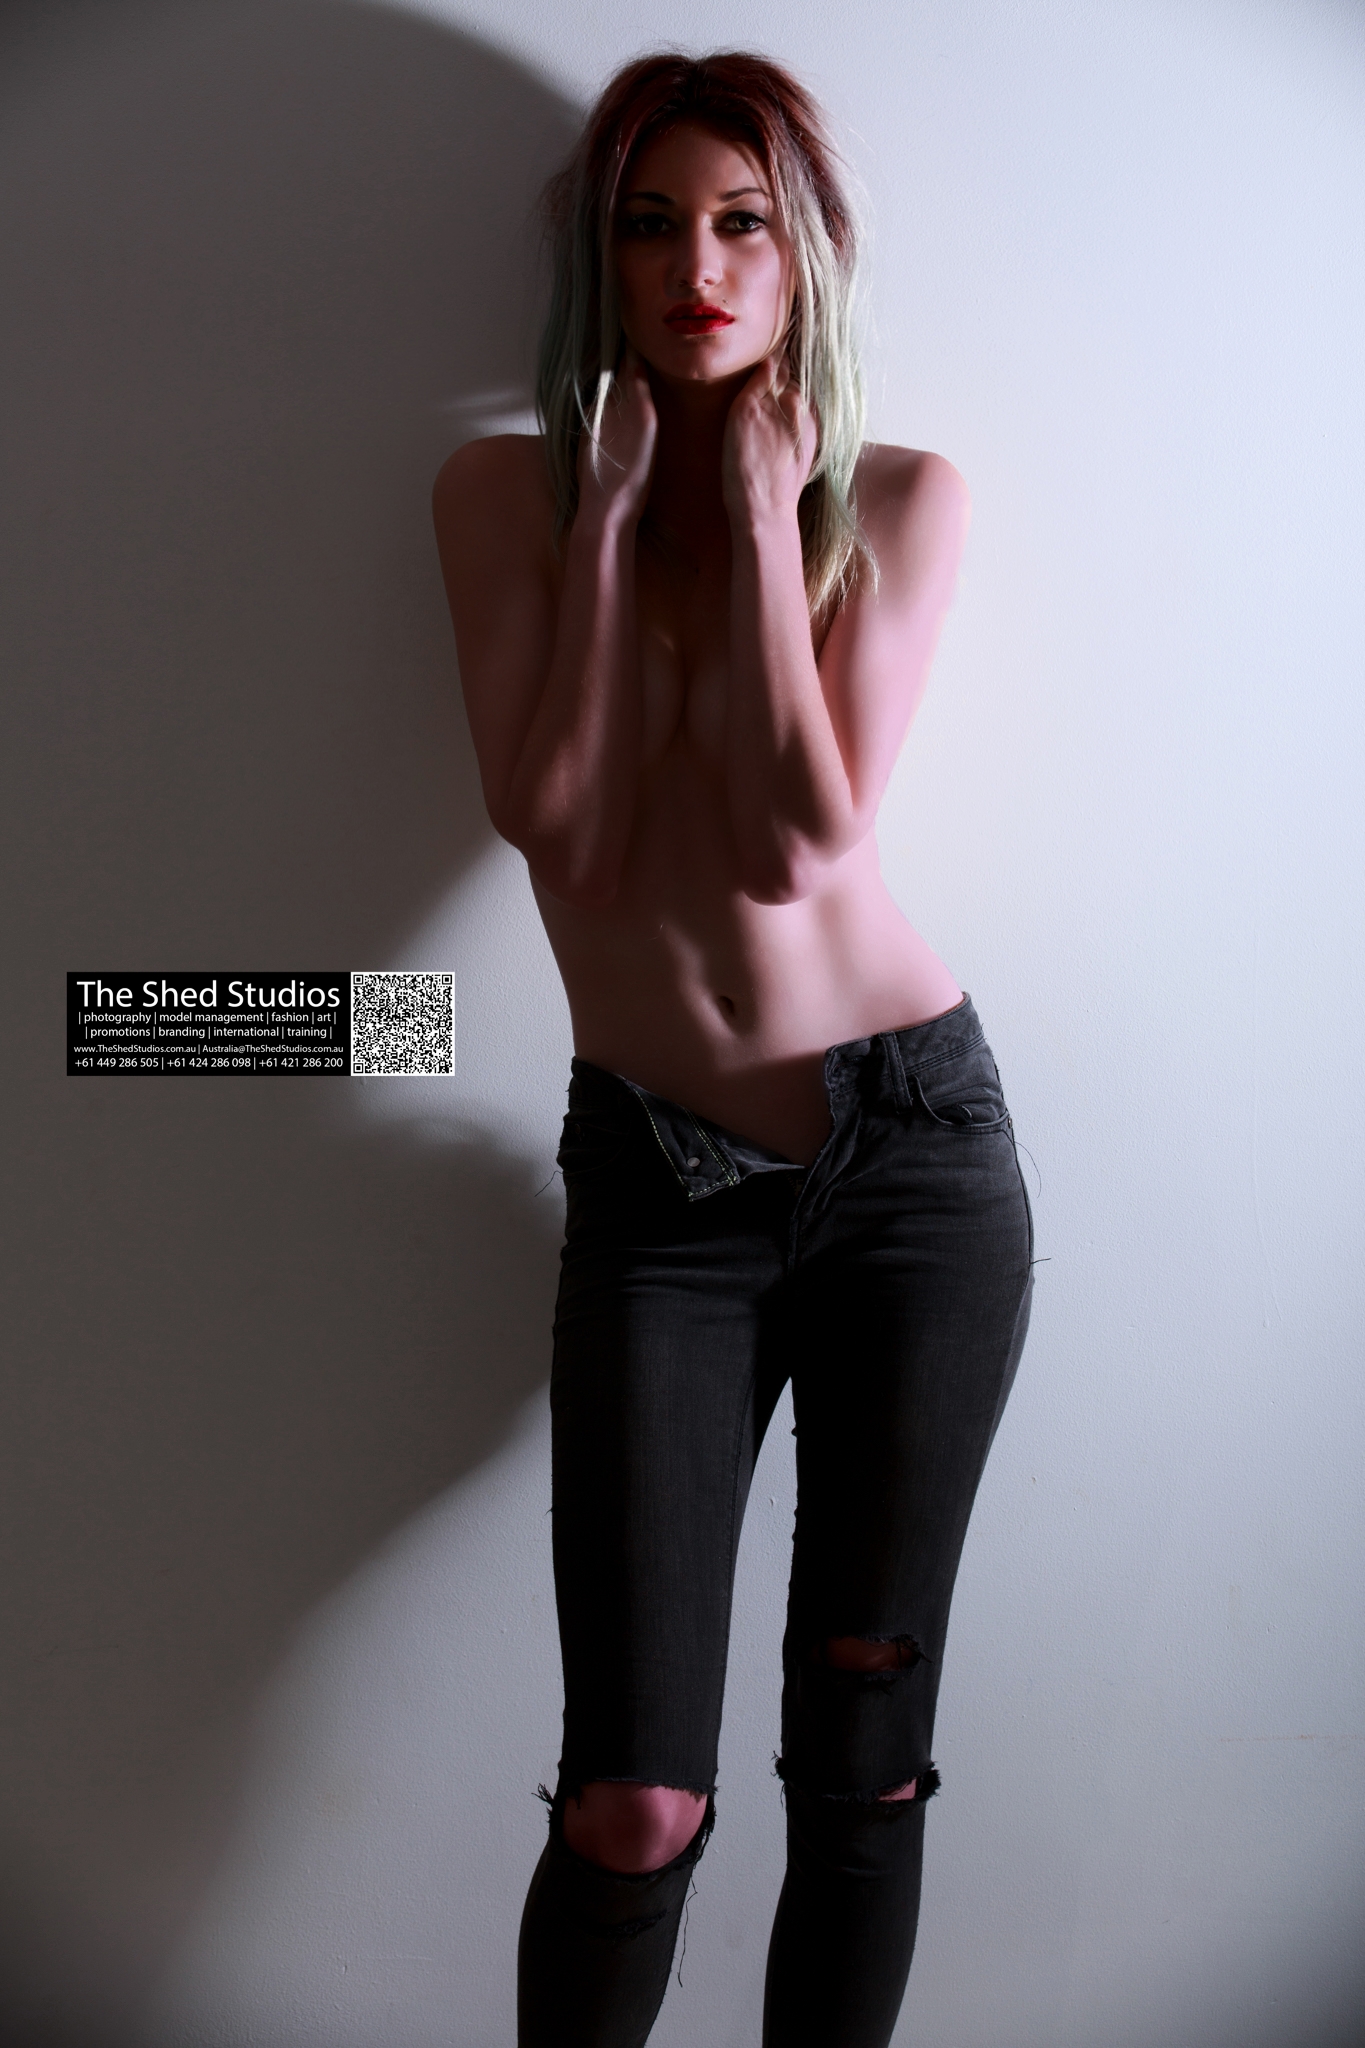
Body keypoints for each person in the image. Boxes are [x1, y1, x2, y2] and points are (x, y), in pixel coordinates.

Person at [433, 50, 1033, 2048]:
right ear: (596, 260)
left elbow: (796, 842)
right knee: (634, 1799)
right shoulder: (502, 495)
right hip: (658, 1191)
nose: (695, 266)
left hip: (911, 1163)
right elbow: (560, 822)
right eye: (649, 224)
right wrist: (614, 522)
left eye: (739, 222)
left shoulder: (899, 496)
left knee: (860, 1766)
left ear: (803, 254)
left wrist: (770, 522)